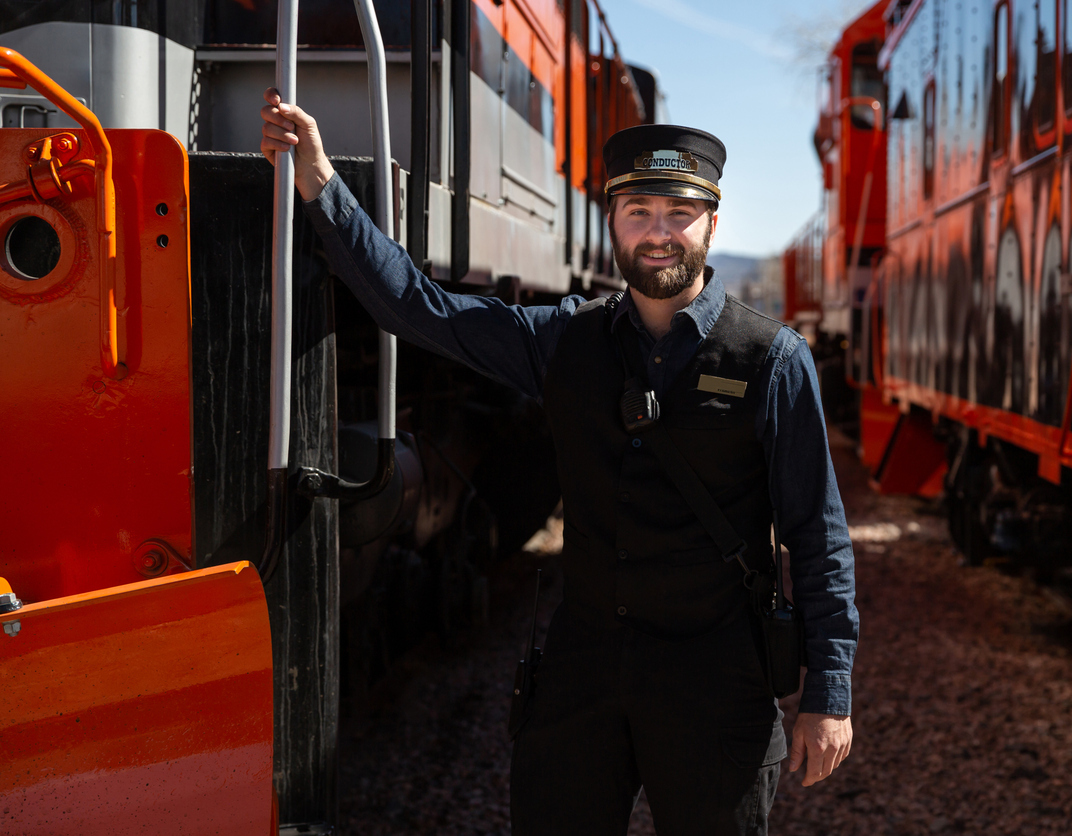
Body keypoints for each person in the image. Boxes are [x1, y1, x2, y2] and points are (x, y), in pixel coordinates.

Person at [261, 88, 858, 836]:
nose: (659, 233)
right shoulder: (565, 341)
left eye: (679, 213)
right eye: (639, 212)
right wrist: (321, 184)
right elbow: (418, 308)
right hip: (583, 674)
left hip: (716, 679)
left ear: (712, 221)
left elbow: (817, 536)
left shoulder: (773, 360)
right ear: (612, 222)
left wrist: (828, 694)